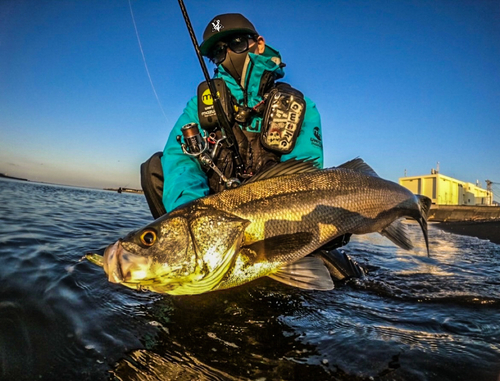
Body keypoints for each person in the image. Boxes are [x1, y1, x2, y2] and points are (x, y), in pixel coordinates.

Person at [141, 13, 365, 281]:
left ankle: (289, 259)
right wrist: (198, 224)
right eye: (217, 52)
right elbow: (180, 159)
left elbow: (305, 176)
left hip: (280, 218)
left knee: (345, 276)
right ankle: (191, 261)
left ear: (258, 44)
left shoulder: (299, 107)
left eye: (235, 43)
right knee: (155, 168)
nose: (227, 56)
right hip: (217, 217)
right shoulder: (199, 106)